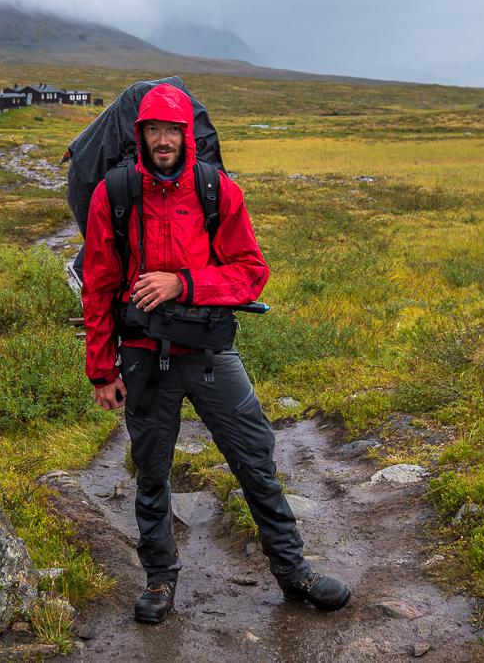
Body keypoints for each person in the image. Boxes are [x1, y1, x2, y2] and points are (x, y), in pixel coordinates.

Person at [80, 83, 352, 624]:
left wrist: (183, 284)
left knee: (255, 457)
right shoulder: (112, 194)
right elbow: (98, 284)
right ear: (140, 136)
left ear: (188, 135)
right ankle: (160, 580)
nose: (163, 140)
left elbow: (251, 274)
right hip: (140, 355)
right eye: (153, 130)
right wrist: (101, 369)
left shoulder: (216, 191)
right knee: (152, 472)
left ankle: (293, 571)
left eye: (172, 131)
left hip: (208, 354)